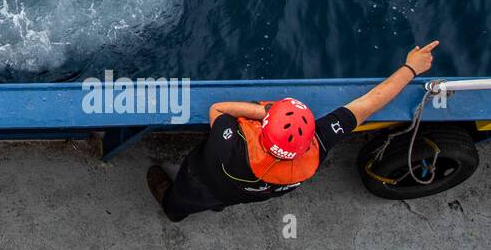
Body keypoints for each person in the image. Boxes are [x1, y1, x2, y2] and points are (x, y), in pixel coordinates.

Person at [146, 41, 440, 222]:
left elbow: (219, 110)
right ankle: (217, 206)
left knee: (185, 195)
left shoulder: (230, 146)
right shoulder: (319, 143)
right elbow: (370, 103)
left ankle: (175, 211)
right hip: (243, 192)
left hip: (203, 180)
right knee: (224, 198)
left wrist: (264, 111)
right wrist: (410, 70)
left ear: (264, 130)